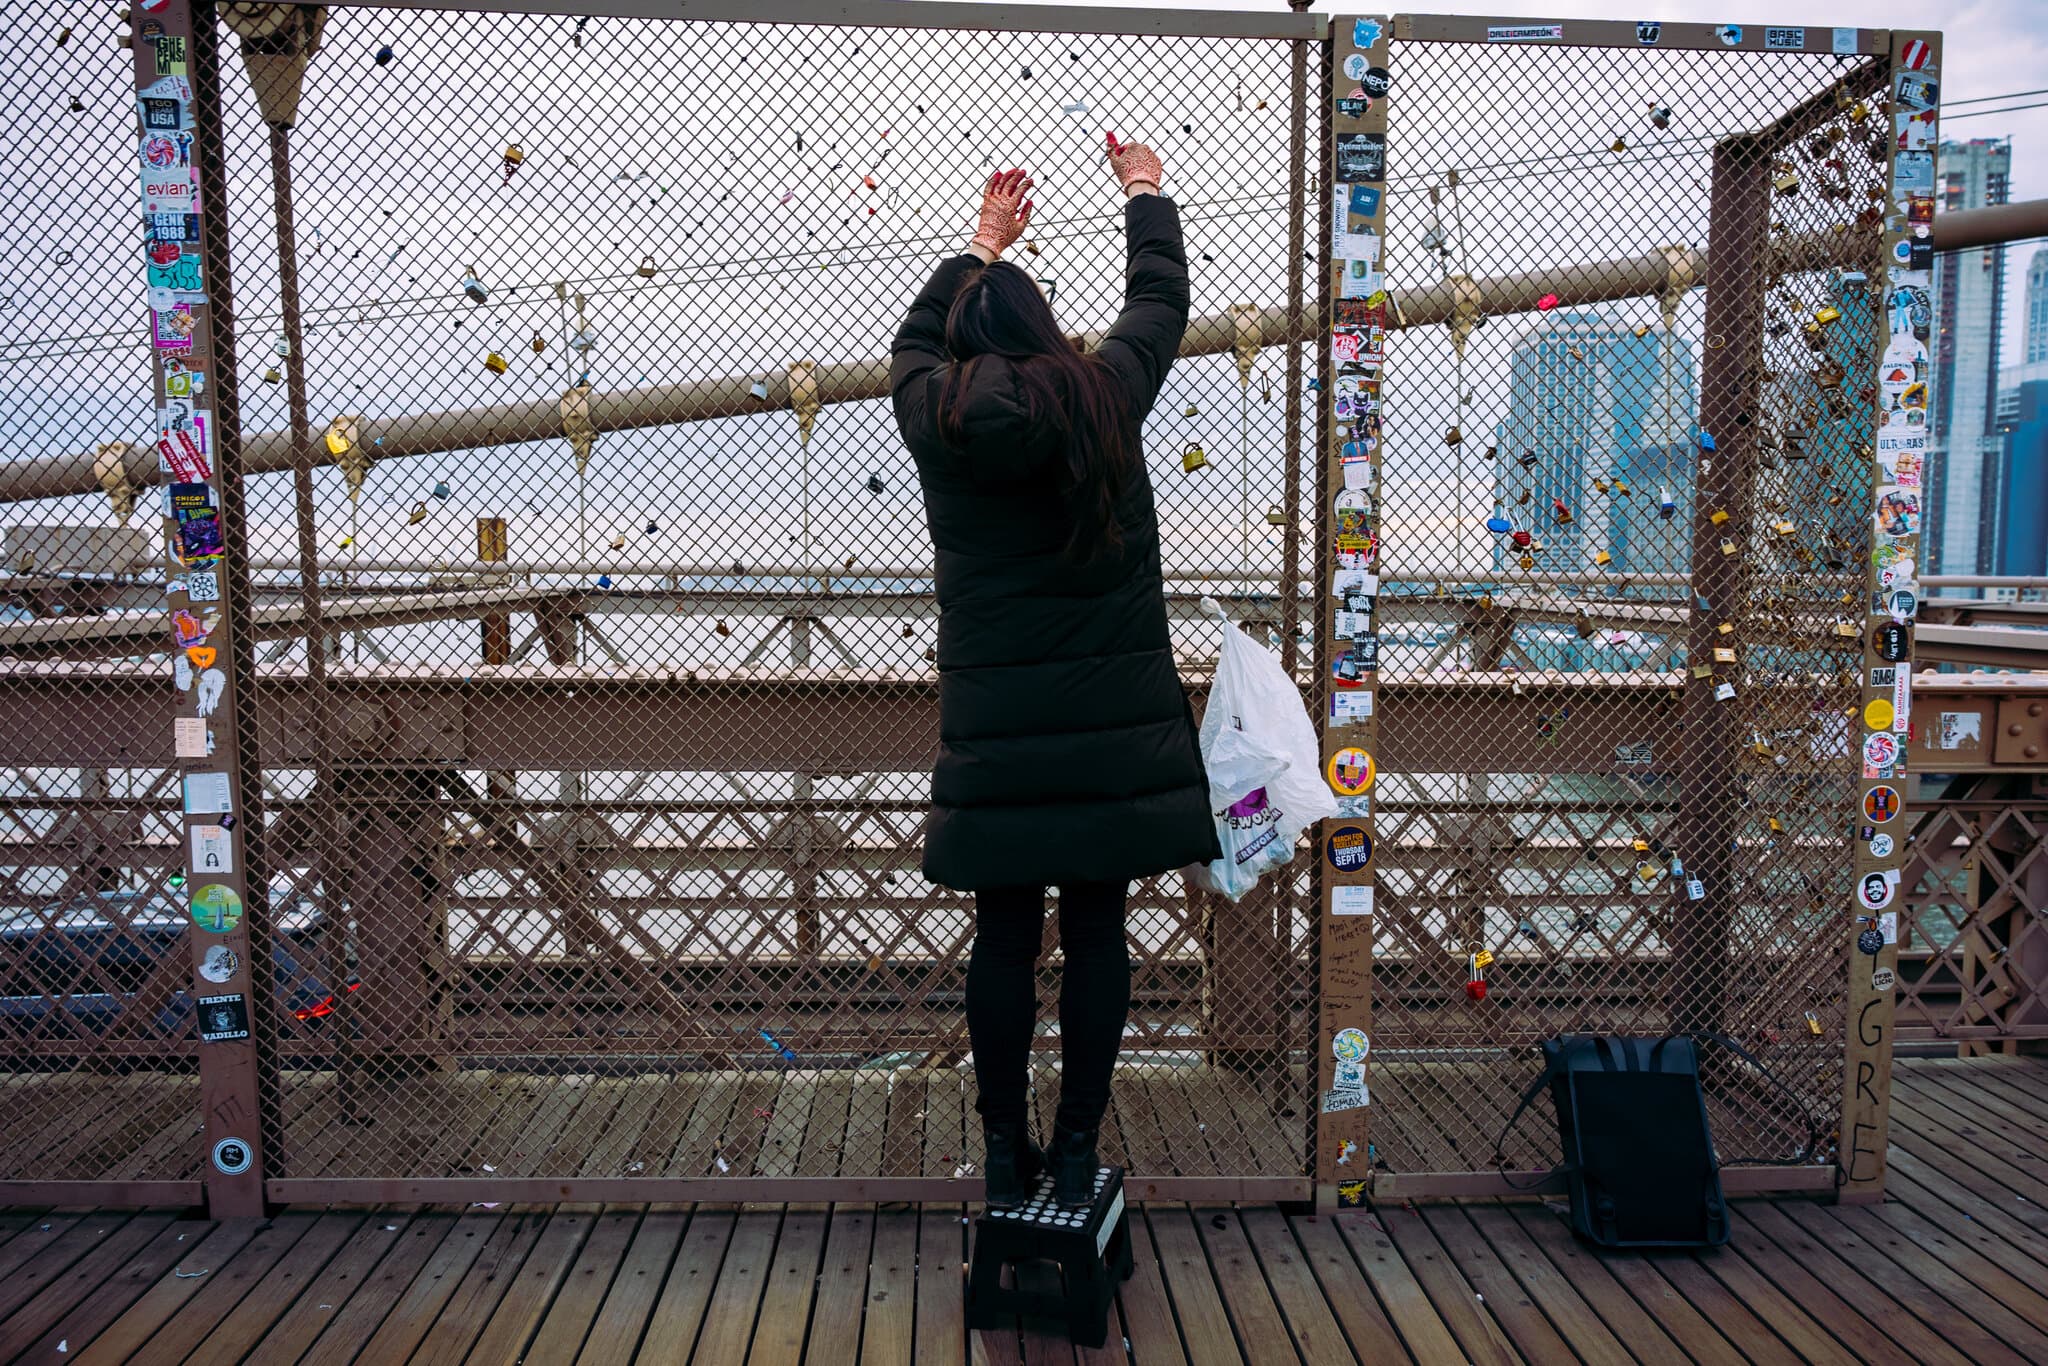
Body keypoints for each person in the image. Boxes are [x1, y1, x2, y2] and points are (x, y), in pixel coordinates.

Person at [889, 135, 1221, 1209]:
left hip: (995, 737)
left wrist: (976, 246)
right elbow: (1159, 304)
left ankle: (1001, 1150)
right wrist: (1142, 191)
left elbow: (907, 342)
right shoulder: (1104, 396)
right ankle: (1076, 1148)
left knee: (1000, 937)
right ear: (1044, 328)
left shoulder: (935, 421)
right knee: (1095, 934)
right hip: (1114, 733)